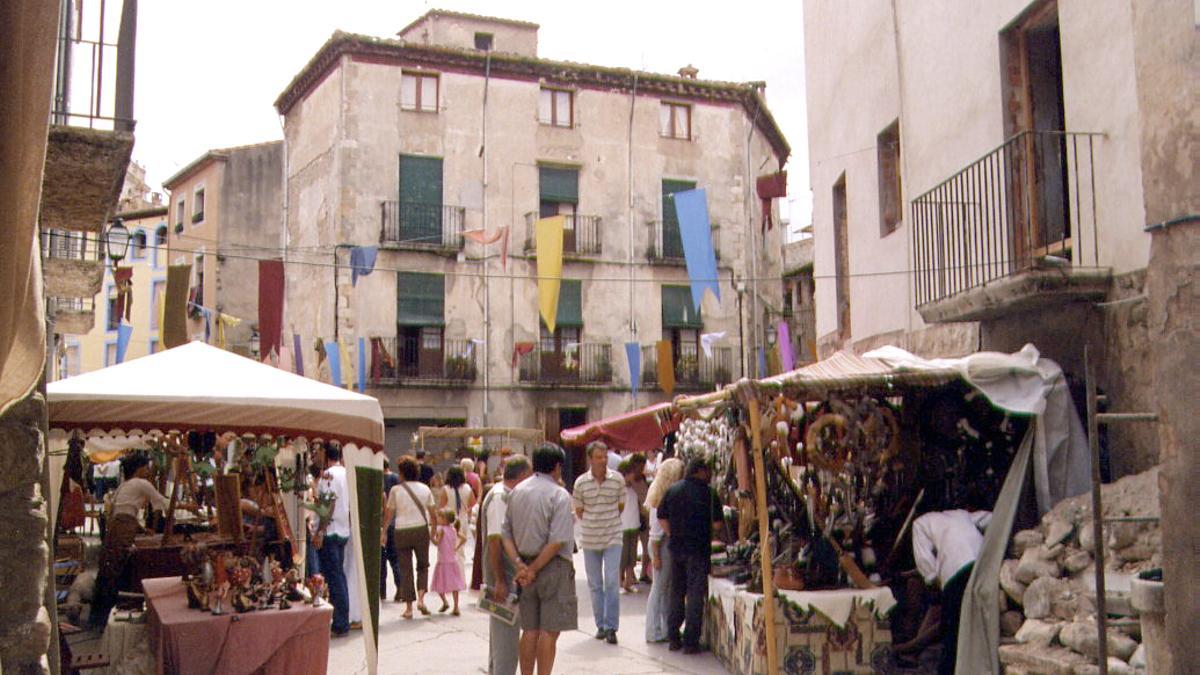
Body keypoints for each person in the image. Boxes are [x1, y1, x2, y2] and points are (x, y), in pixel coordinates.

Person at [90, 454, 199, 628]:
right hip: (122, 529)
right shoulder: (141, 483)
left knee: (110, 570)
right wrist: (189, 507)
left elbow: (124, 511)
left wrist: (143, 529)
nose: (148, 471)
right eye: (146, 467)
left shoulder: (124, 485)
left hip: (116, 529)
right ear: (139, 468)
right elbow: (162, 503)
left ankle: (99, 616)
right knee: (115, 569)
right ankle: (105, 617)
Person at [502, 444, 577, 675]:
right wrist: (533, 569)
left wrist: (520, 565)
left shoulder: (517, 491)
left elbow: (506, 534)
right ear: (557, 467)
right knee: (549, 631)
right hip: (552, 567)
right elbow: (557, 541)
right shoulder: (559, 495)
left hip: (524, 565)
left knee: (530, 629)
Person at [911, 500, 992, 675]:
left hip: (955, 570)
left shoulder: (921, 522)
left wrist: (932, 578)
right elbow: (991, 519)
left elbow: (923, 556)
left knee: (952, 633)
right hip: (981, 565)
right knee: (978, 625)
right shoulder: (962, 514)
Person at [657, 457, 722, 654]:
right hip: (698, 550)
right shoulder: (709, 494)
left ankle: (674, 638)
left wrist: (672, 533)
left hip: (677, 549)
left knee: (676, 592)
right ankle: (691, 641)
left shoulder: (673, 490)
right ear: (701, 471)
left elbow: (661, 517)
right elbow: (718, 524)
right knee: (694, 595)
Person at [572, 441, 625, 644]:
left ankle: (611, 626)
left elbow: (620, 506)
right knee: (595, 584)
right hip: (590, 538)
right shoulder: (580, 483)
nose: (603, 460)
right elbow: (579, 511)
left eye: (605, 456)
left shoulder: (617, 480)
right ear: (590, 459)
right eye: (598, 457)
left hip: (613, 536)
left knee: (612, 581)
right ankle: (600, 625)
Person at [484, 455, 532, 675]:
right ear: (522, 475)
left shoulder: (505, 496)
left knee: (501, 636)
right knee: (506, 642)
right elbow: (495, 541)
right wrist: (501, 579)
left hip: (506, 577)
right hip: (503, 578)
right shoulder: (499, 498)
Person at [381, 456, 437, 619]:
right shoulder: (425, 489)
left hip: (401, 531)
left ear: (402, 473)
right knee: (423, 566)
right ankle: (421, 599)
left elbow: (389, 514)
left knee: (405, 568)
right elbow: (433, 514)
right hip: (420, 529)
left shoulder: (396, 490)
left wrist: (384, 532)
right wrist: (433, 533)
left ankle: (409, 608)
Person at [642, 458, 684, 643]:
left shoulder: (660, 493)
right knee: (659, 588)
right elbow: (655, 534)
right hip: (660, 545)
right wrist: (656, 556)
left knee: (663, 589)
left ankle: (665, 628)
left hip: (661, 545)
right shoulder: (660, 498)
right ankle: (653, 630)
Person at [316, 443, 352, 637]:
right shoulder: (346, 473)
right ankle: (341, 618)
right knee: (339, 575)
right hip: (342, 530)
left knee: (335, 577)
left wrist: (320, 530)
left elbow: (328, 502)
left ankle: (340, 621)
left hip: (331, 531)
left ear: (325, 453)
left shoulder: (329, 475)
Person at [429, 508, 468, 615]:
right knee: (455, 585)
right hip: (453, 560)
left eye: (439, 517)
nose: (437, 519)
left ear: (444, 519)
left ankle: (445, 601)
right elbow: (464, 538)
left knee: (438, 583)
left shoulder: (440, 529)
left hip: (442, 561)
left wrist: (431, 538)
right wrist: (456, 547)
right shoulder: (453, 529)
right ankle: (456, 607)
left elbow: (437, 542)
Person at [441, 465, 477, 576]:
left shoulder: (446, 489)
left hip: (449, 520)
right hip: (463, 519)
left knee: (448, 548)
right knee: (460, 548)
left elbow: (442, 506)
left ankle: (450, 576)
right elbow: (472, 504)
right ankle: (461, 576)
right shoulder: (467, 488)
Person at [627, 453, 652, 583]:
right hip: (631, 517)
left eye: (643, 466)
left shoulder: (642, 479)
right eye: (640, 466)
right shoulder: (627, 480)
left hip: (643, 517)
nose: (641, 469)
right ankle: (629, 574)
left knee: (646, 546)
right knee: (630, 548)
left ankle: (644, 572)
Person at [617, 460, 641, 593]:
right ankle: (619, 583)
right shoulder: (619, 490)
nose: (634, 475)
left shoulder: (632, 488)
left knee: (632, 555)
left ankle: (629, 581)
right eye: (631, 473)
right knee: (623, 555)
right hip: (623, 526)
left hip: (634, 524)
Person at [380, 458, 402, 600]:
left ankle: (381, 591)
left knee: (382, 559)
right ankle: (400, 587)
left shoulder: (379, 478)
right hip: (395, 521)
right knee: (395, 558)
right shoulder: (396, 478)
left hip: (383, 521)